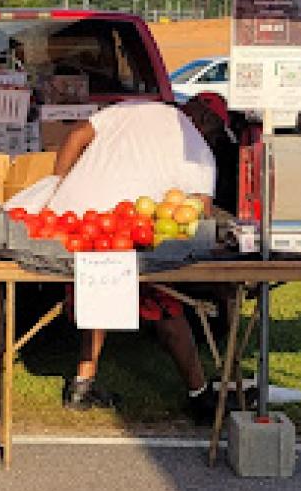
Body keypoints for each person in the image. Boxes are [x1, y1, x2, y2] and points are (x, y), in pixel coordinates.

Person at [46, 99, 223, 422]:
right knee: (166, 308)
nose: (211, 137)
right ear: (204, 118)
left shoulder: (132, 110)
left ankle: (82, 386)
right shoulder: (198, 152)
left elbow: (76, 135)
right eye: (213, 129)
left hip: (79, 223)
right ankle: (200, 396)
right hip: (132, 231)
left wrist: (56, 187)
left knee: (96, 293)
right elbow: (201, 212)